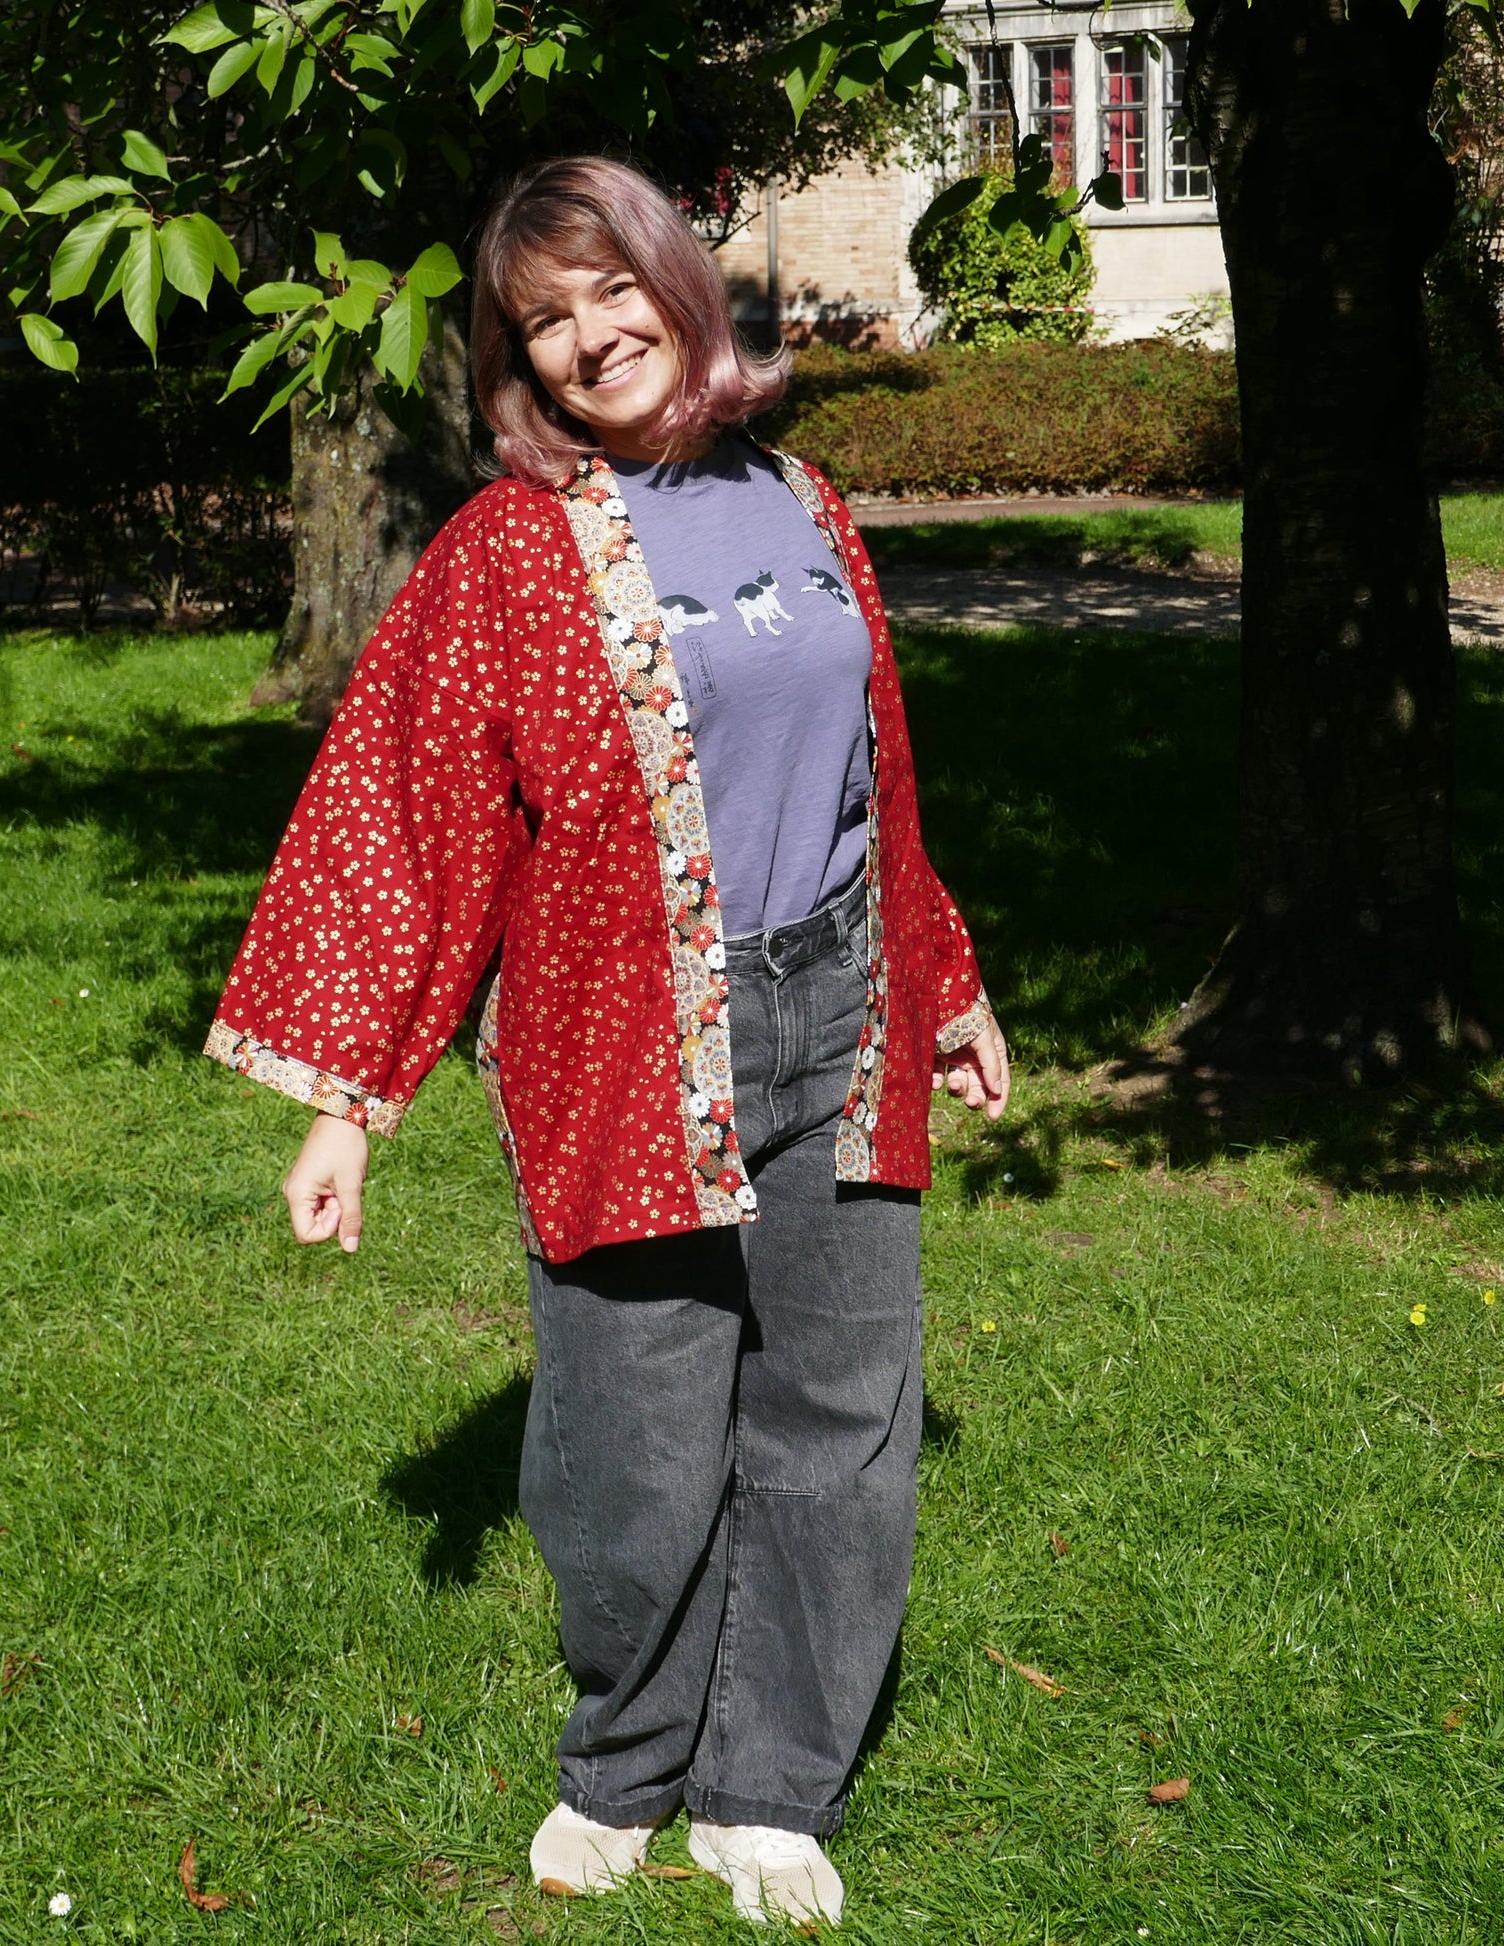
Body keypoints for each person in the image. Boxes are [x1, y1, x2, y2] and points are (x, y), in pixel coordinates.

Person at [205, 154, 1010, 1928]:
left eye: (606, 294)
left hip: (840, 1005)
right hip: (624, 1039)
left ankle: (769, 1784)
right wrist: (350, 1100)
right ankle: (626, 1759)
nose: (585, 342)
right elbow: (411, 815)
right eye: (541, 323)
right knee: (631, 1435)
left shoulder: (804, 498)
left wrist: (942, 982)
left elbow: (875, 776)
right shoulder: (508, 551)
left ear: (677, 281)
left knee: (838, 1416)